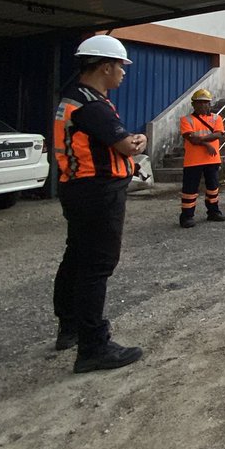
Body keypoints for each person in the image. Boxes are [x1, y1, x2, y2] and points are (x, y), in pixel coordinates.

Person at [51, 35, 146, 374]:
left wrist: (130, 141)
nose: (123, 73)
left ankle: (71, 327)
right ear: (105, 66)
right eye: (121, 67)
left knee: (76, 257)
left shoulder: (76, 98)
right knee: (97, 265)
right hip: (97, 192)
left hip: (79, 190)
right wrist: (139, 140)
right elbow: (125, 144)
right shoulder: (91, 105)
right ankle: (93, 346)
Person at [178, 88, 225, 228]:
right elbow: (190, 138)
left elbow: (218, 134)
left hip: (212, 160)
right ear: (193, 104)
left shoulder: (217, 118)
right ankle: (186, 216)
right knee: (189, 191)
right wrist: (207, 144)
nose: (203, 105)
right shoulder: (186, 120)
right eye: (200, 103)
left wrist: (201, 139)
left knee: (213, 188)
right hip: (193, 161)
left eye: (206, 102)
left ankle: (213, 212)